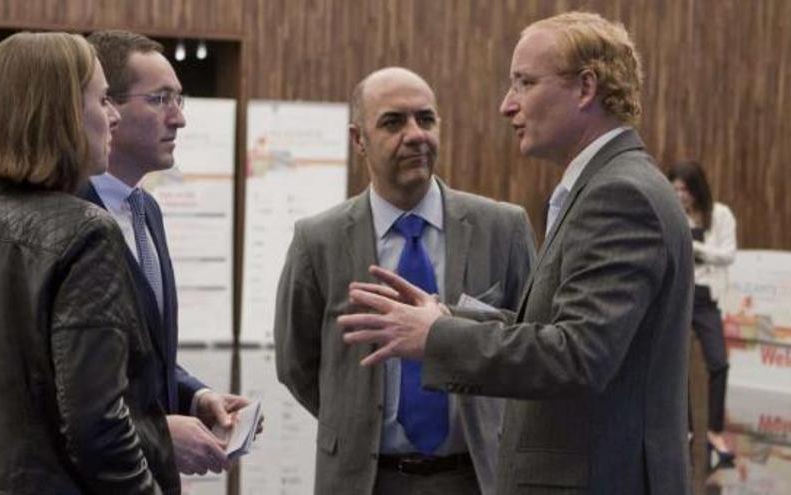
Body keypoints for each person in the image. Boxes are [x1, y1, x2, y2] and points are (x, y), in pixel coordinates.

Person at [341, 12, 694, 494]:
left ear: (586, 88)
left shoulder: (619, 195)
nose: (508, 105)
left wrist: (439, 338)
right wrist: (448, 319)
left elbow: (578, 355)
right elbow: (557, 331)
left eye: (524, 83)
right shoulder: (607, 186)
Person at [0, 32, 178, 493]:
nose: (112, 116)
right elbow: (97, 424)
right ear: (62, 116)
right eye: (101, 100)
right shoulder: (87, 234)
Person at [274, 67, 535, 494]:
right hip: (365, 481)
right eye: (393, 122)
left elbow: (534, 339)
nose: (415, 134)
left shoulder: (502, 228)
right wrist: (353, 421)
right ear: (359, 140)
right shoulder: (317, 241)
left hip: (477, 477)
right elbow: (295, 362)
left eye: (426, 119)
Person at [83, 30, 255, 475]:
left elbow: (141, 357)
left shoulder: (146, 210)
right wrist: (159, 434)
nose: (178, 119)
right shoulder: (66, 216)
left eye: (180, 100)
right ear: (109, 107)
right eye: (161, 100)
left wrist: (195, 397)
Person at [668, 160, 737, 466]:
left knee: (719, 363)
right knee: (675, 362)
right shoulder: (670, 214)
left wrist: (695, 249)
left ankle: (715, 431)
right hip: (678, 296)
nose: (679, 194)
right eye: (675, 187)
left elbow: (728, 255)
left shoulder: (720, 215)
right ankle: (684, 430)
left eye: (685, 188)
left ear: (697, 189)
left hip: (707, 298)